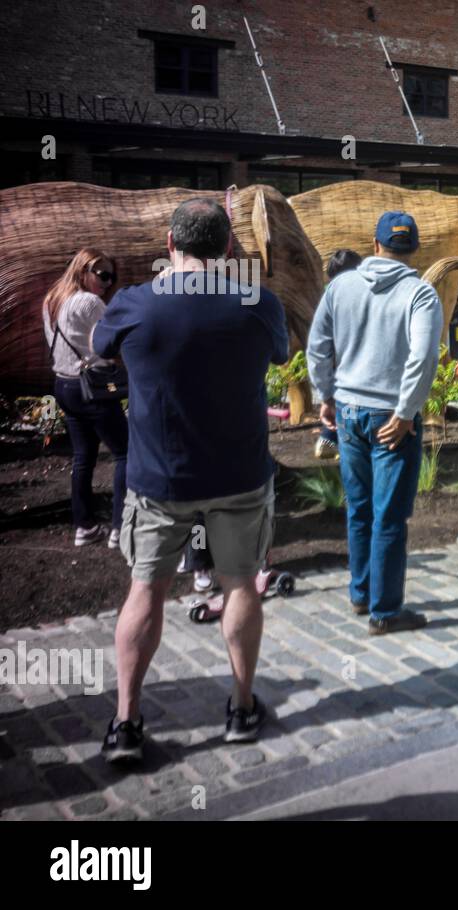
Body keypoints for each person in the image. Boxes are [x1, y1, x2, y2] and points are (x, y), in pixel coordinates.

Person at [92, 199, 288, 761]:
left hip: (159, 479)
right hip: (239, 475)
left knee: (146, 591)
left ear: (170, 245)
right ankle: (242, 707)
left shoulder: (133, 304)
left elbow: (100, 349)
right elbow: (279, 353)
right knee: (241, 584)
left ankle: (126, 722)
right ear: (228, 248)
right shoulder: (257, 303)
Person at [307, 211, 442, 635]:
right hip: (390, 418)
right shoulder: (420, 294)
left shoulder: (340, 286)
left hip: (348, 410)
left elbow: (318, 346)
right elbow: (423, 358)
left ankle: (361, 592)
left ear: (376, 242)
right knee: (389, 518)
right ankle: (384, 612)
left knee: (360, 509)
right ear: (414, 248)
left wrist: (323, 396)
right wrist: (405, 411)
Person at [41, 248, 129, 548]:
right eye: (102, 275)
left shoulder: (52, 299)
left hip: (64, 385)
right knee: (126, 453)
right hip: (93, 387)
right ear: (83, 271)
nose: (107, 282)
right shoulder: (89, 302)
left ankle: (84, 525)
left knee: (83, 457)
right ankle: (120, 527)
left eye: (111, 277)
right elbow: (111, 341)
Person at [314, 249, 364, 461]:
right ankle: (339, 440)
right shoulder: (365, 294)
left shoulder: (329, 296)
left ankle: (330, 437)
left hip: (337, 364)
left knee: (342, 404)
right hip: (356, 364)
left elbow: (320, 342)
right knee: (351, 405)